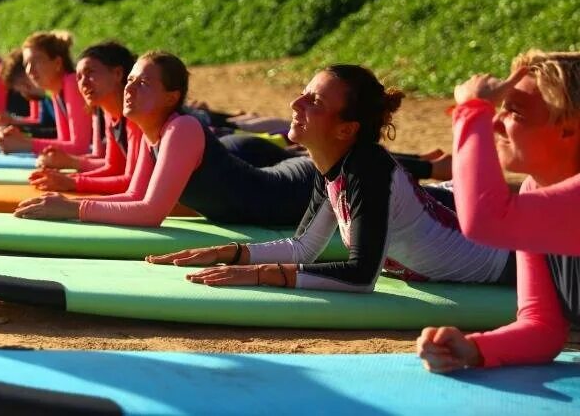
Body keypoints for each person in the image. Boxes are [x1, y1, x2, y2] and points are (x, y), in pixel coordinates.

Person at [142, 63, 513, 292]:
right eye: (302, 95)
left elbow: (361, 276)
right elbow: (304, 247)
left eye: (313, 103)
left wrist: (261, 275)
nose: (295, 105)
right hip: (455, 210)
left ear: (345, 129)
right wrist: (232, 254)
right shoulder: (330, 163)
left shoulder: (366, 169)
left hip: (510, 253)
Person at [13, 51, 315, 226]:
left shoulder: (181, 128)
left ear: (171, 97)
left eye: (143, 83)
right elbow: (135, 197)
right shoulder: (151, 132)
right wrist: (68, 200)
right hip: (271, 180)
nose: (129, 89)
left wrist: (73, 208)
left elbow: (152, 213)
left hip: (296, 193)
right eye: (130, 81)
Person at [417, 51, 580, 372]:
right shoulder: (536, 190)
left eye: (514, 112)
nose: (495, 123)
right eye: (499, 110)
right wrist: (474, 348)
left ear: (568, 129)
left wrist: (471, 110)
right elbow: (542, 325)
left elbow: (486, 220)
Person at [30, 41, 142, 195]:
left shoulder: (136, 116)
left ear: (117, 74)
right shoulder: (111, 114)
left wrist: (73, 182)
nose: (83, 82)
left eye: (90, 72)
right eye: (79, 77)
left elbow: (132, 182)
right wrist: (65, 178)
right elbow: (113, 168)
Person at [0, 32, 92, 155]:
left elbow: (80, 148)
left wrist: (26, 143)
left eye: (36, 62)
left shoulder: (71, 82)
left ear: (57, 63)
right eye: (26, 64)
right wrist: (22, 138)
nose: (29, 70)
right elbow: (64, 141)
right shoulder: (56, 90)